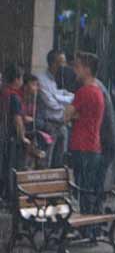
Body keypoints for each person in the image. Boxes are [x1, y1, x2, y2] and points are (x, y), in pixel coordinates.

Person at [65, 52, 106, 211]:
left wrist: (74, 115)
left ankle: (85, 228)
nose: (75, 70)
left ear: (87, 69)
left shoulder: (84, 91)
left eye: (78, 66)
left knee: (82, 189)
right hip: (93, 146)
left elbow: (66, 116)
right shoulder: (98, 91)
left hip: (81, 146)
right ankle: (89, 227)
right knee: (88, 189)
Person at [36, 49, 70, 166]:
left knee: (59, 162)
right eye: (63, 62)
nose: (65, 66)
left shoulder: (57, 80)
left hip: (61, 125)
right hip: (49, 125)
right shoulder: (41, 79)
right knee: (46, 162)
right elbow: (51, 103)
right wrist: (65, 105)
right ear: (54, 63)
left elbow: (64, 97)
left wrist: (61, 98)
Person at [1, 63, 27, 190]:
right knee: (10, 166)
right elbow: (18, 120)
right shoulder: (14, 97)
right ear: (16, 79)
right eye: (21, 78)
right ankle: (9, 193)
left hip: (3, 134)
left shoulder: (3, 93)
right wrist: (23, 137)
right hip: (10, 137)